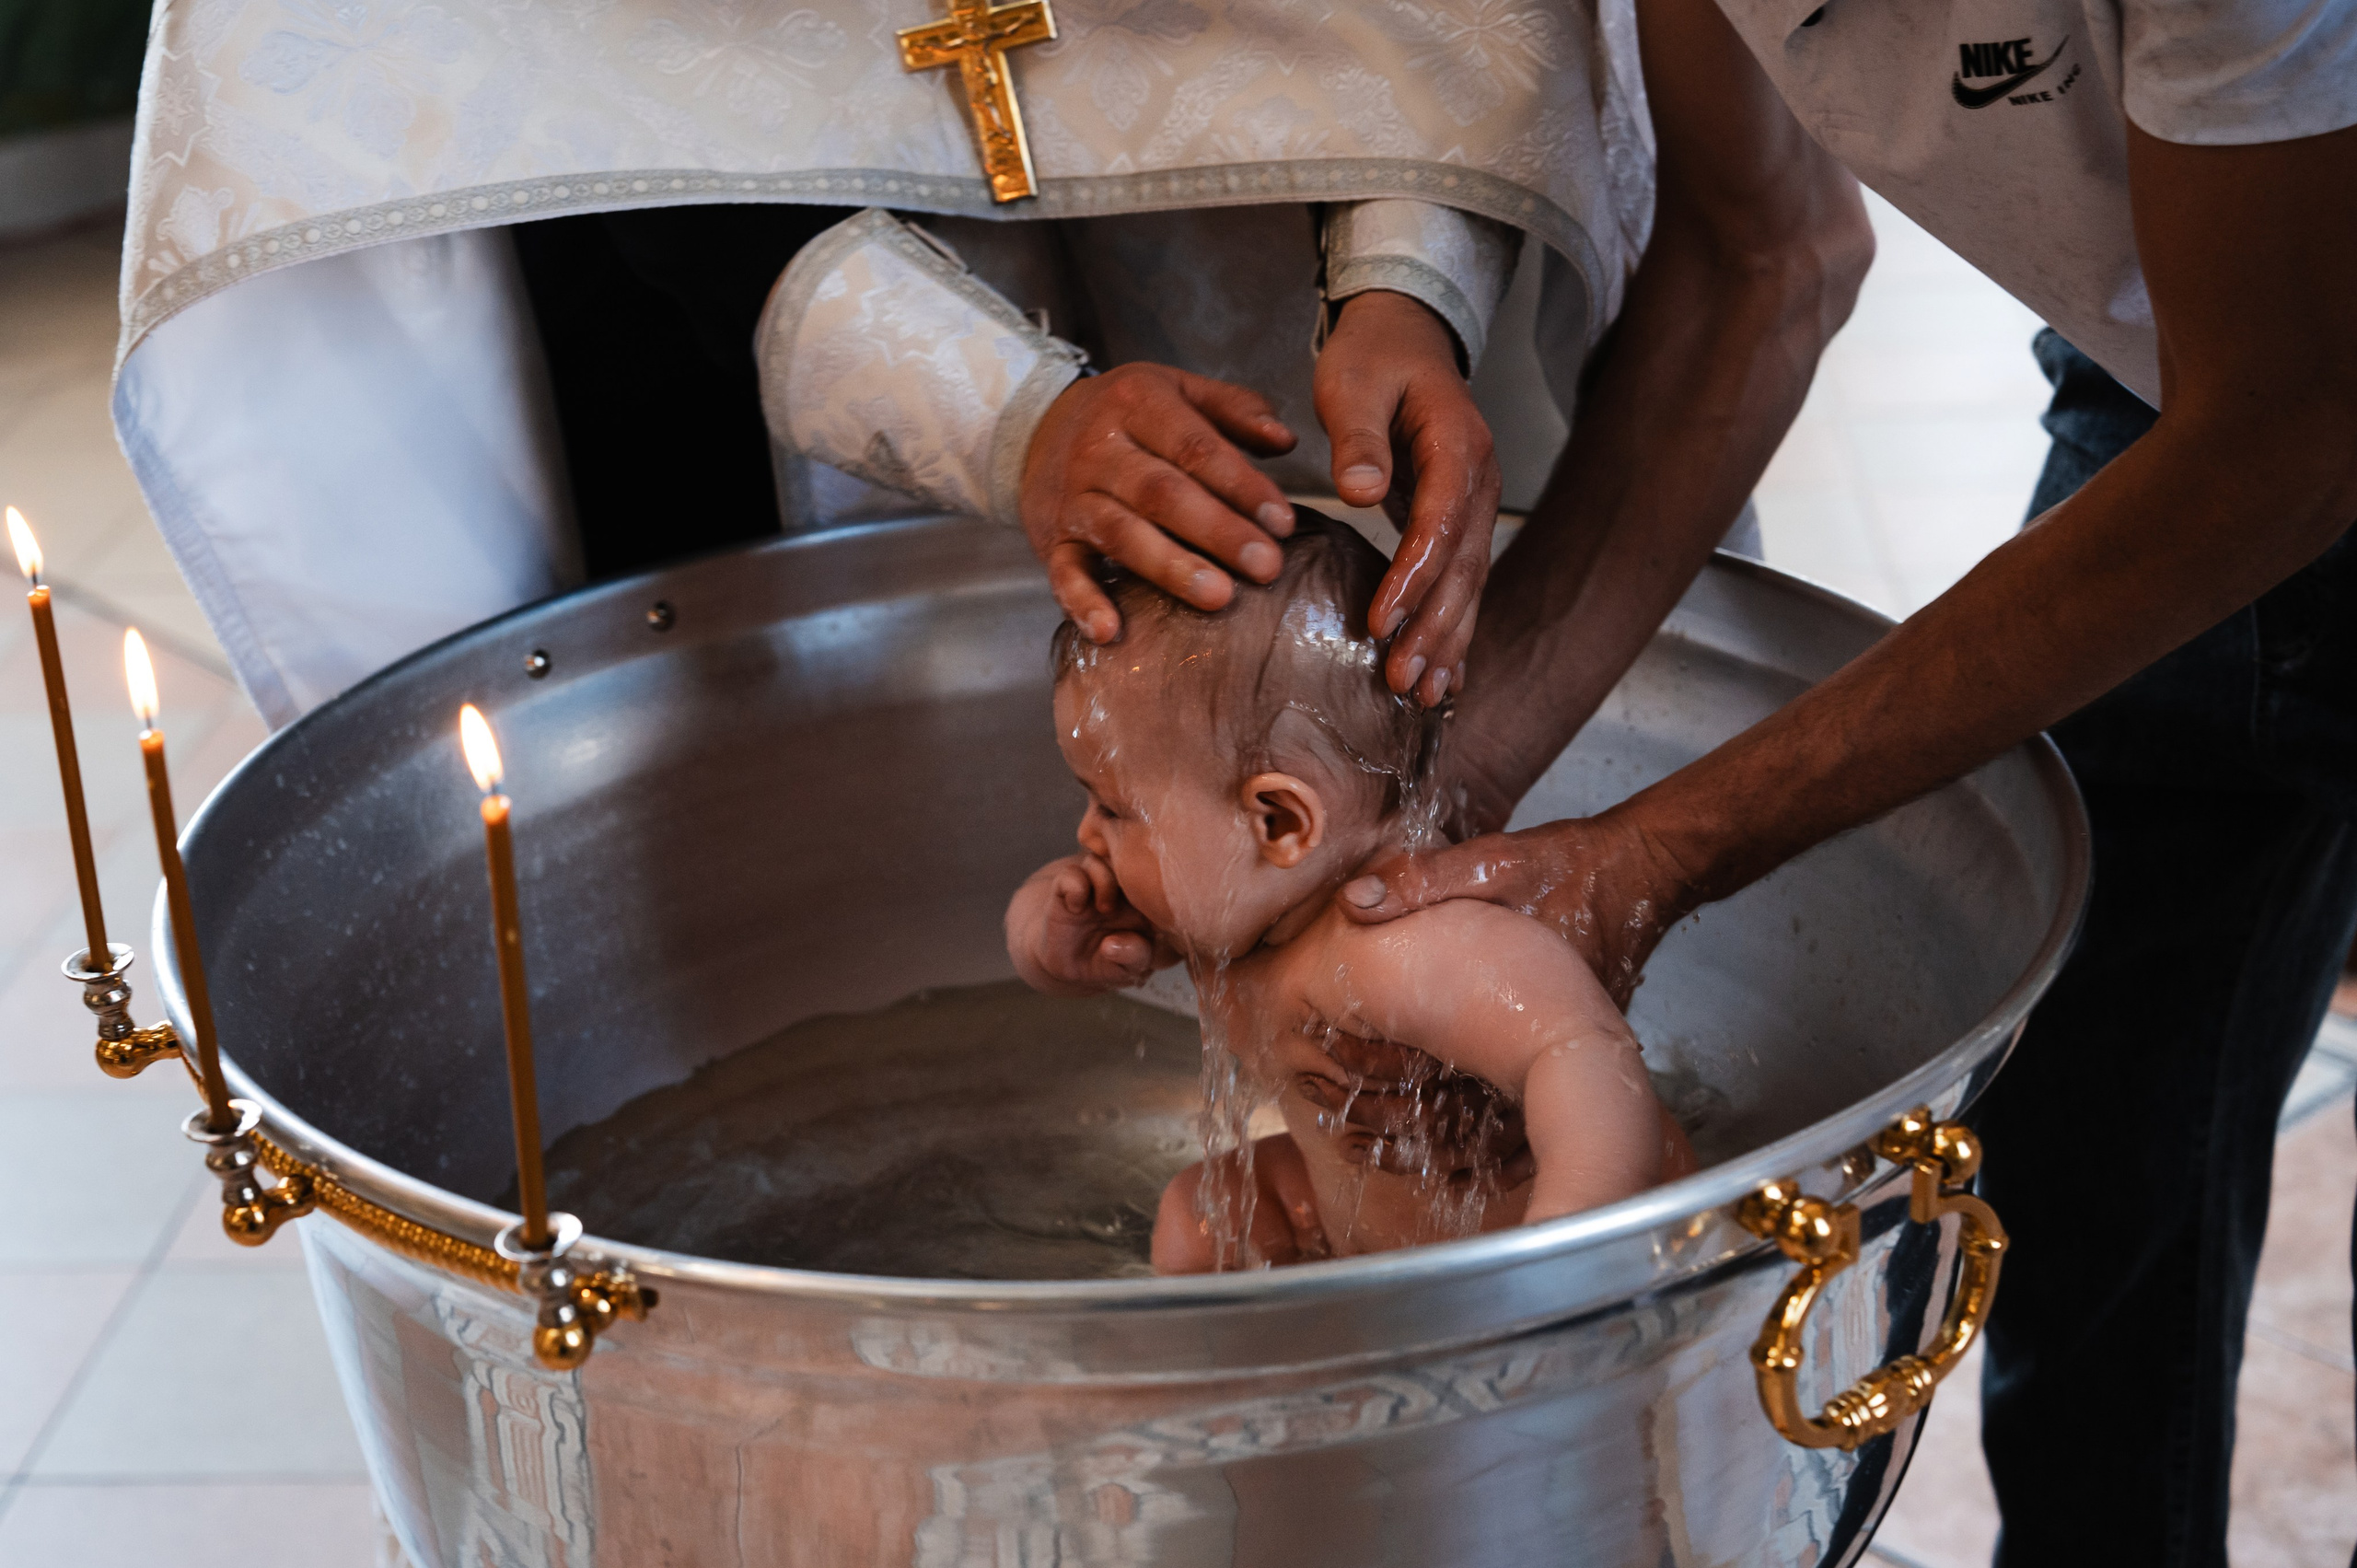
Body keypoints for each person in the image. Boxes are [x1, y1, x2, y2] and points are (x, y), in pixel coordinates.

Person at [1333, 0, 2357, 1560]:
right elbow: (1763, 258)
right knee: (2095, 1141)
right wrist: (1448, 778)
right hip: (2194, 363)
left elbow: (2290, 438)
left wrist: (1657, 849)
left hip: (2287, 395)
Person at [1003, 514, 1694, 1272]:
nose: (1088, 836)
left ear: (1279, 821)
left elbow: (1582, 1047)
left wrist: (1571, 1233)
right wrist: (1049, 932)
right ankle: (1247, 1355)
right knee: (1206, 1211)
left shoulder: (1398, 941)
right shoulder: (1235, 898)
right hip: (1359, 1218)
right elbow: (1063, 954)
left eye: (1113, 808)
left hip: (1528, 1249)